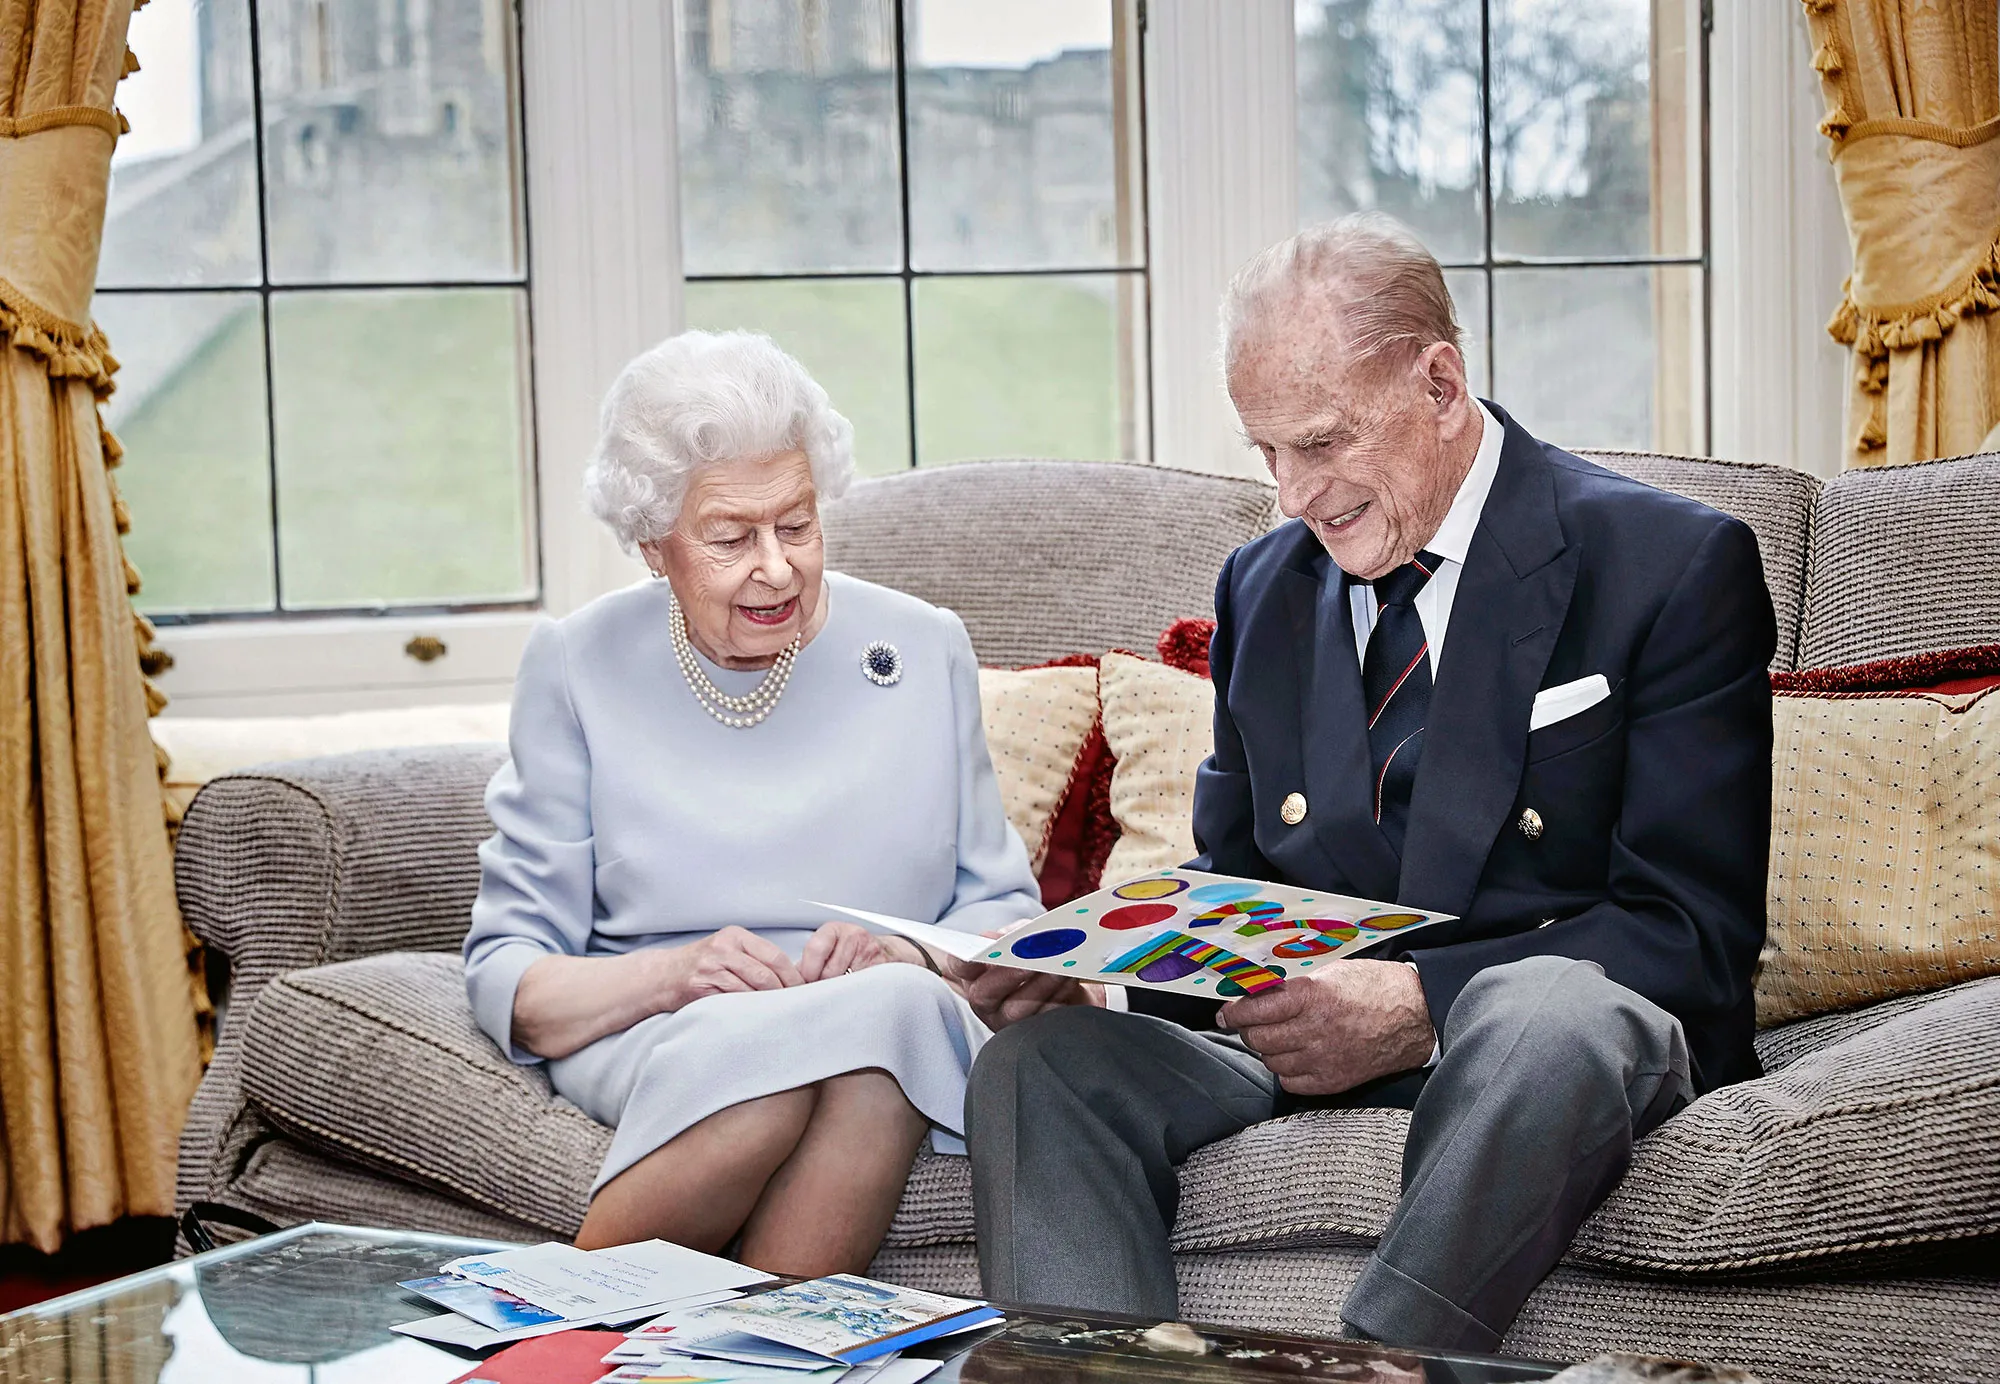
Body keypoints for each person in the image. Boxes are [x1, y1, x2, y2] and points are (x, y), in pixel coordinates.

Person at [956, 213, 1774, 1351]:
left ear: (1439, 382)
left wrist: (1418, 1006)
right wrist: (1103, 975)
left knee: (1546, 1012)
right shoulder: (1264, 585)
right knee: (1040, 1067)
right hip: (1299, 1052)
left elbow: (1690, 934)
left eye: (1323, 442)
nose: (1293, 493)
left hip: (1533, 1059)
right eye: (1267, 453)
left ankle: (1369, 1370)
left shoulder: (1667, 566)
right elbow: (1236, 881)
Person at [464, 329, 1043, 1275]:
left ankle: (554, 1344)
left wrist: (906, 949)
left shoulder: (922, 645)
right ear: (655, 547)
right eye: (731, 538)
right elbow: (513, 974)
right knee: (795, 1072)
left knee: (879, 1031)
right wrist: (676, 975)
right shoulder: (578, 664)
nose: (776, 567)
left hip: (881, 1008)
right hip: (660, 1021)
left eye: (799, 525)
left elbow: (1004, 913)